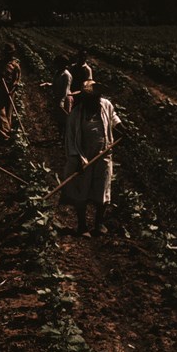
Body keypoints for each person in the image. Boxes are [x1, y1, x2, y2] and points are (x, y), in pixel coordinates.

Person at [62, 80, 122, 237]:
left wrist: (122, 128)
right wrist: (78, 159)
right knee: (81, 190)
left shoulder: (105, 105)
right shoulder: (76, 115)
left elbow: (113, 116)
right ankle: (82, 225)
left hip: (104, 154)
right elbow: (70, 140)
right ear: (84, 99)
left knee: (102, 189)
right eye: (91, 99)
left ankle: (99, 223)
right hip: (84, 157)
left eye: (96, 98)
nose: (95, 101)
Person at [0, 43, 21, 142]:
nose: (8, 55)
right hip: (0, 89)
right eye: (7, 53)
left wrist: (12, 89)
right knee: (0, 112)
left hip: (10, 91)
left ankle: (6, 135)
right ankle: (4, 134)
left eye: (10, 53)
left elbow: (17, 80)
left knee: (8, 112)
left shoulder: (15, 65)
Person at [51, 54, 73, 136]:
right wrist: (48, 84)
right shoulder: (58, 72)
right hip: (59, 97)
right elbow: (56, 84)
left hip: (65, 98)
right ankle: (60, 136)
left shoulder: (66, 75)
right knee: (59, 118)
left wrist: (61, 102)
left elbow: (65, 90)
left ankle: (65, 138)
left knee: (65, 119)